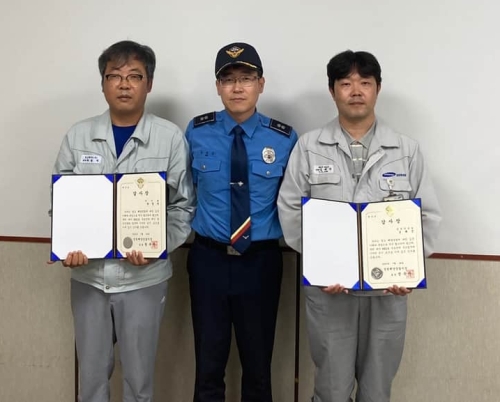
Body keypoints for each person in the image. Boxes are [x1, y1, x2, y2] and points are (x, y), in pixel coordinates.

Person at [277, 50, 441, 402]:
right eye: (346, 83)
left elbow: (427, 215)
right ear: (332, 90)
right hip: (330, 292)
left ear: (377, 89)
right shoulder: (309, 147)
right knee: (331, 389)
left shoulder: (406, 151)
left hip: (387, 293)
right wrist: (322, 263)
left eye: (365, 83)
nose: (355, 91)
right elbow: (290, 208)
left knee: (377, 390)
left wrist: (409, 269)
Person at [52, 40, 195, 402]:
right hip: (89, 278)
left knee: (139, 381)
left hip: (144, 278)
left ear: (149, 83)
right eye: (114, 76)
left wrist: (157, 246)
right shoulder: (78, 135)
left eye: (135, 76)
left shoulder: (169, 138)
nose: (124, 84)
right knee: (91, 380)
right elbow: (62, 203)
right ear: (103, 84)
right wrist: (68, 246)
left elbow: (183, 207)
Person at [184, 42, 298, 402]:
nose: (237, 87)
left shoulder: (284, 138)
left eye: (246, 78)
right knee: (207, 367)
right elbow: (184, 192)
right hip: (208, 261)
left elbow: (294, 201)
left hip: (260, 262)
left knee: (259, 368)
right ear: (218, 86)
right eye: (228, 79)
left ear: (261, 84)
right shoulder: (196, 132)